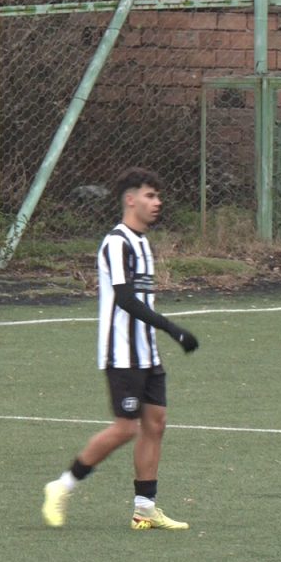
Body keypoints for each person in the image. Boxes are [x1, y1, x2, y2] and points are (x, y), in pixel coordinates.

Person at [40, 166, 199, 530]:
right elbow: (125, 299)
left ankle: (145, 508)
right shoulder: (116, 242)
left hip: (147, 353)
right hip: (122, 353)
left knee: (155, 423)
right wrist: (173, 329)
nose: (157, 202)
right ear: (130, 199)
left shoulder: (143, 243)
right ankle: (62, 485)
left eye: (158, 196)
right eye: (150, 195)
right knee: (126, 428)